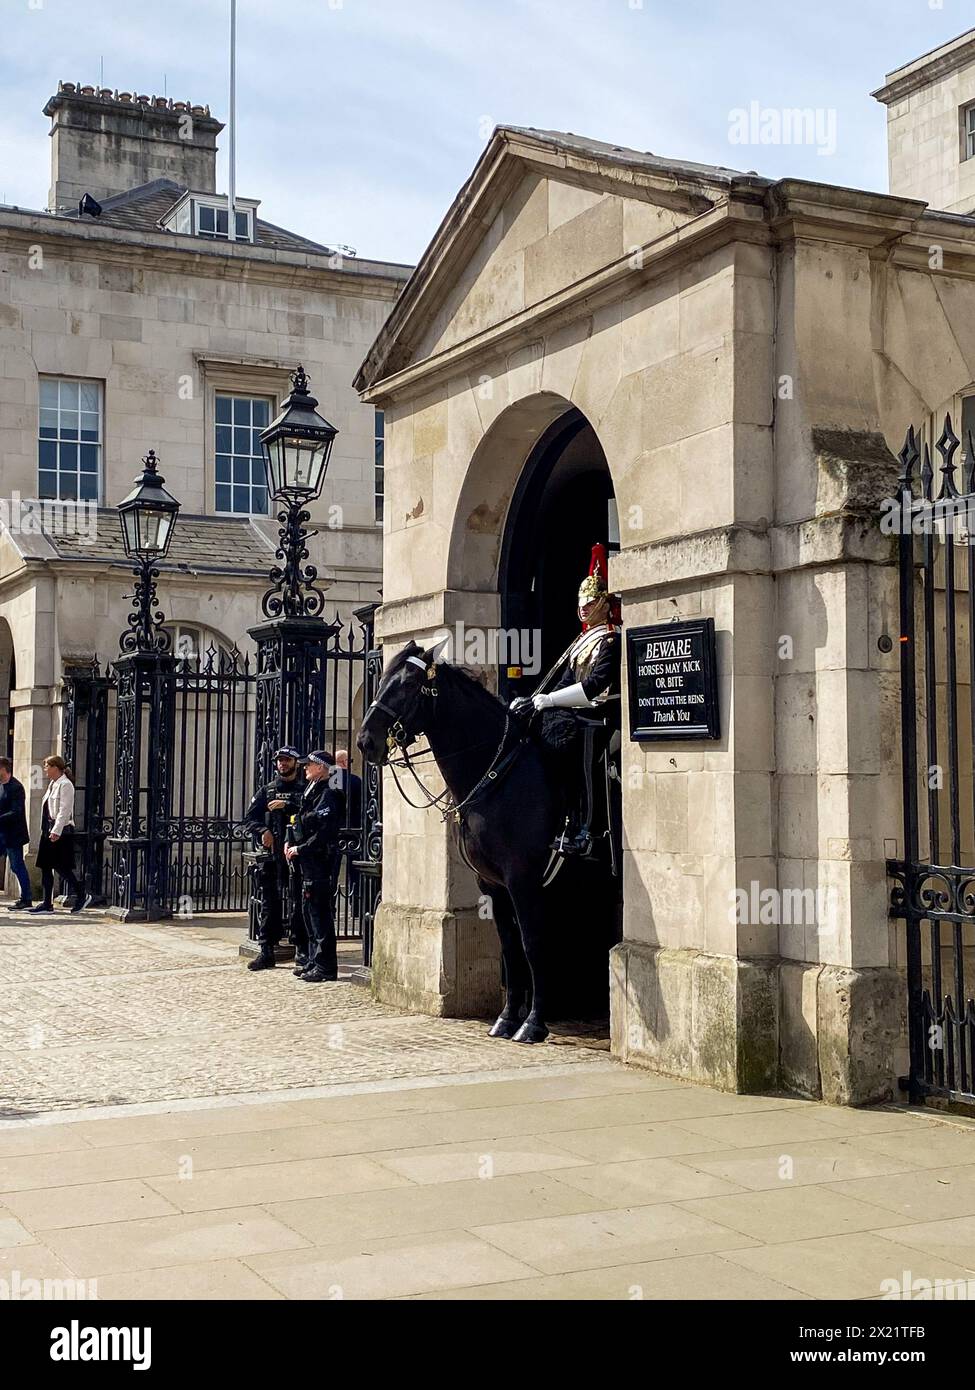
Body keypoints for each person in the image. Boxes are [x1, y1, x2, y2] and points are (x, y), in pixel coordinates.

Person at [512, 543, 621, 856]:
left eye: (591, 601)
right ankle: (558, 815)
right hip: (579, 713)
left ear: (604, 602)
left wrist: (551, 701)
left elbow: (594, 687)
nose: (584, 607)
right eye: (582, 602)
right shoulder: (582, 640)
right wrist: (537, 702)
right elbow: (564, 682)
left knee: (584, 750)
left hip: (601, 714)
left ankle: (588, 827)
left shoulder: (611, 638)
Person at [243, 747, 306, 971]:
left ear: (296, 763)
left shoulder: (304, 788)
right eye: (279, 761)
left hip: (297, 854)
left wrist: (288, 806)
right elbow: (250, 818)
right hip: (272, 856)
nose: (282, 764)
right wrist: (262, 830)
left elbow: (310, 813)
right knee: (269, 904)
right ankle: (267, 950)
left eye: (287, 760)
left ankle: (301, 950)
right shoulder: (268, 790)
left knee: (300, 903)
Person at [285, 750, 345, 983]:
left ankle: (325, 966)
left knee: (319, 913)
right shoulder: (311, 790)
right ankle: (313, 959)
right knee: (308, 911)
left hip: (319, 858)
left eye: (309, 764)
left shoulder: (330, 792)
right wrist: (291, 841)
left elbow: (324, 830)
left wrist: (302, 848)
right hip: (307, 859)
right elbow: (297, 820)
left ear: (321, 767)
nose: (304, 768)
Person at [31, 756, 88, 914]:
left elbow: (64, 810)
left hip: (60, 831)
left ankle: (81, 894)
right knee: (45, 867)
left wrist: (56, 830)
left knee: (62, 867)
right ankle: (47, 903)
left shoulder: (65, 785)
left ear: (56, 767)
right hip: (47, 830)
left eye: (47, 766)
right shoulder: (52, 784)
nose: (45, 770)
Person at [0, 757, 32, 909]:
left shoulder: (16, 787)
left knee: (17, 866)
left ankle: (26, 898)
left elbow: (16, 811)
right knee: (16, 865)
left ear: (3, 769)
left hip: (13, 834)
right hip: (1, 833)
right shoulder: (1, 786)